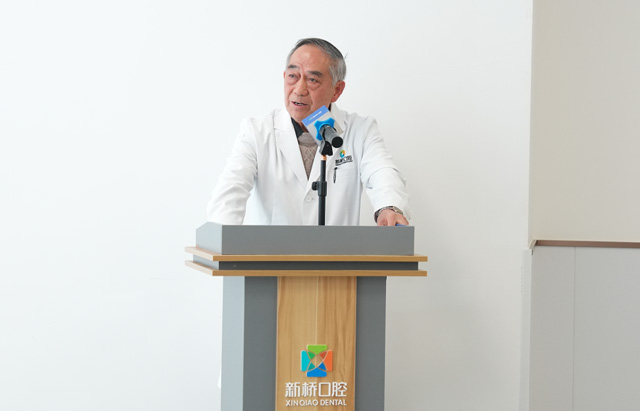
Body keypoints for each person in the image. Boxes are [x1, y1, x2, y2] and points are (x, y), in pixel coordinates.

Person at [207, 38, 410, 226]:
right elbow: (230, 192)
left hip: (337, 254)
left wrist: (389, 207)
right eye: (293, 76)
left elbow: (382, 172)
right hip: (272, 254)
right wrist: (224, 236)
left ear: (337, 90)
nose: (299, 89)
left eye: (312, 80)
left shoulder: (361, 130)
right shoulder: (257, 132)